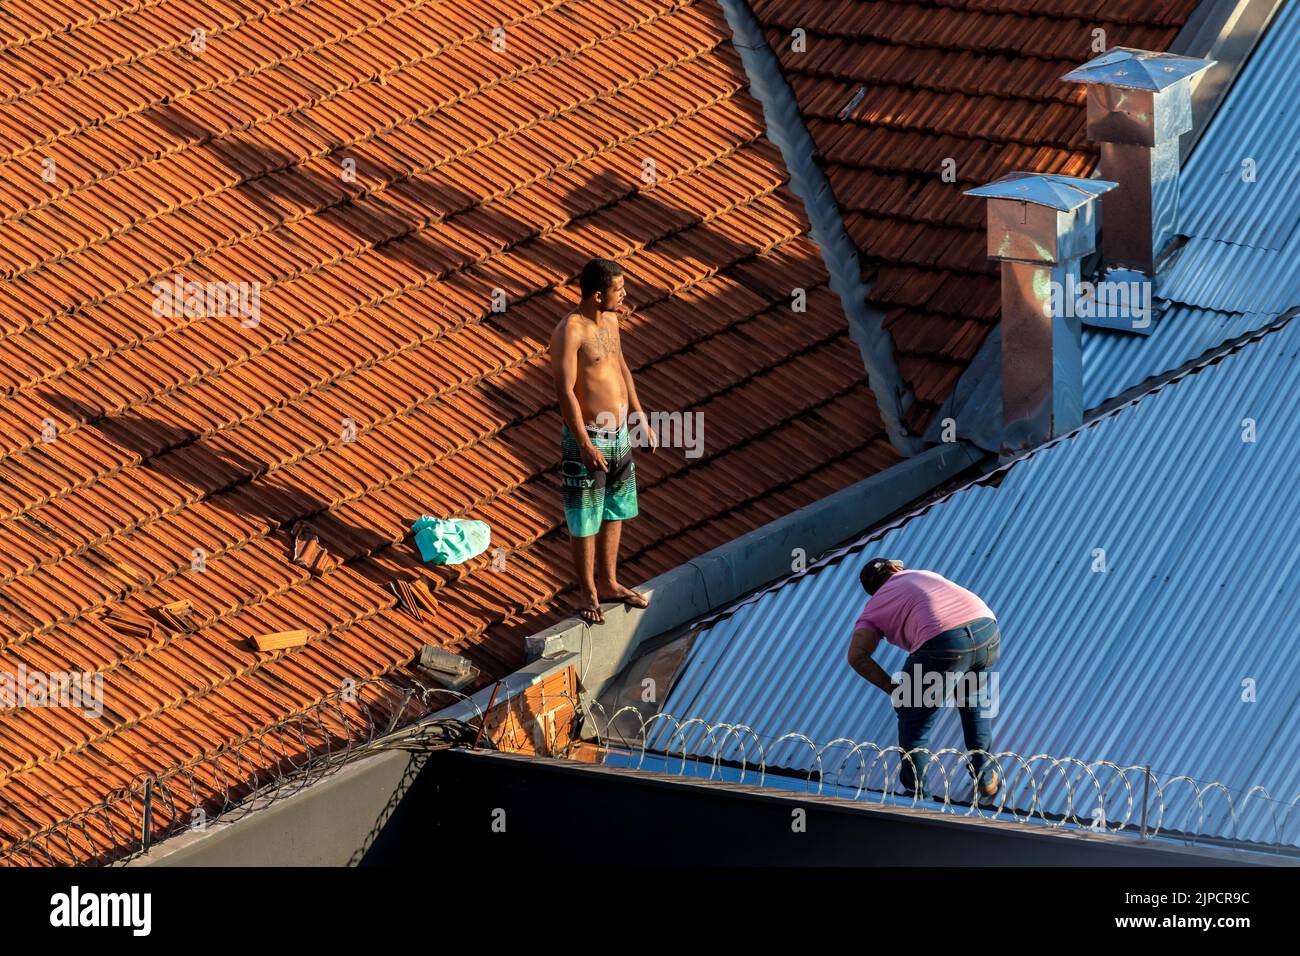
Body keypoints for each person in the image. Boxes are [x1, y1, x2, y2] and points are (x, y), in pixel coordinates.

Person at [549, 258, 657, 625]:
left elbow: (621, 366)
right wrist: (582, 443)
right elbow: (565, 391)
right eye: (618, 290)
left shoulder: (611, 321)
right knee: (585, 516)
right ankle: (588, 591)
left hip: (619, 433)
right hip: (589, 437)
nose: (624, 296)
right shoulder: (570, 331)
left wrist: (640, 415)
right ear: (598, 295)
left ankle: (609, 581)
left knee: (616, 509)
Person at [846, 558, 1002, 798]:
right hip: (986, 629)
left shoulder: (874, 606)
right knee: (973, 702)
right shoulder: (923, 574)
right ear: (895, 569)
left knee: (913, 716)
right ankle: (986, 776)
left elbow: (857, 656)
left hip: (944, 642)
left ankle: (918, 792)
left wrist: (894, 689)